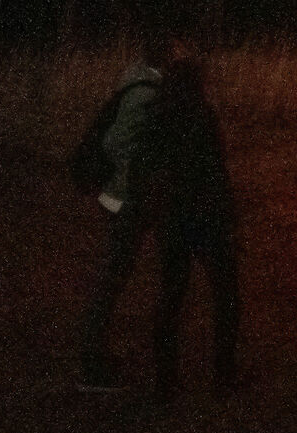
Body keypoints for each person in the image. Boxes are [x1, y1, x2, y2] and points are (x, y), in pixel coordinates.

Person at [141, 36, 240, 400]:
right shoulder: (202, 114)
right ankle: (224, 373)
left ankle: (166, 381)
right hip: (206, 215)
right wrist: (228, 213)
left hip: (173, 217)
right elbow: (215, 169)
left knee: (171, 294)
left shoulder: (156, 114)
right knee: (226, 293)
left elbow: (150, 169)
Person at [78, 31, 164, 391]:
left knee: (115, 274)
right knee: (112, 277)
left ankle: (95, 355)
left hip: (126, 196)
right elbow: (116, 143)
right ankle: (93, 365)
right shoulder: (145, 93)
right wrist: (137, 177)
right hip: (127, 198)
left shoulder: (143, 86)